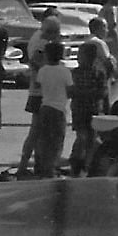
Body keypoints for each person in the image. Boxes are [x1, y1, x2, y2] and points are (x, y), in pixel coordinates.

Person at [15, 11, 62, 176]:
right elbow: (37, 63)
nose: (59, 35)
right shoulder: (41, 44)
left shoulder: (40, 40)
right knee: (37, 132)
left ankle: (37, 165)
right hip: (41, 93)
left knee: (39, 133)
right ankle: (24, 166)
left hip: (39, 91)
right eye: (57, 32)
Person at [68, 39, 110, 176]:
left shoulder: (99, 73)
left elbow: (103, 92)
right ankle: (76, 162)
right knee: (81, 137)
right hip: (79, 110)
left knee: (92, 138)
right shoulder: (75, 73)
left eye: (82, 56)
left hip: (94, 110)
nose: (79, 59)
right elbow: (70, 91)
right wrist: (88, 93)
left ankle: (88, 165)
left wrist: (106, 110)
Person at [32, 41, 73, 177]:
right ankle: (51, 168)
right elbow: (70, 90)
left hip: (45, 107)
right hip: (59, 109)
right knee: (56, 140)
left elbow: (37, 85)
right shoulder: (65, 71)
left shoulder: (43, 70)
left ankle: (42, 167)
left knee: (44, 138)